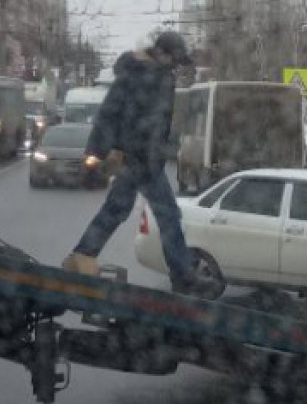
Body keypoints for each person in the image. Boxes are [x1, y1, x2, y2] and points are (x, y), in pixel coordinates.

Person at [63, 32, 216, 297]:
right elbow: (109, 112)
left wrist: (166, 147)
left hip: (145, 157)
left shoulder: (157, 74)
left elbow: (158, 122)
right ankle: (182, 275)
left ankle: (82, 254)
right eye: (175, 60)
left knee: (118, 209)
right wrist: (97, 153)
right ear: (162, 53)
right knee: (167, 214)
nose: (176, 67)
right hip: (138, 156)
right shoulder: (137, 74)